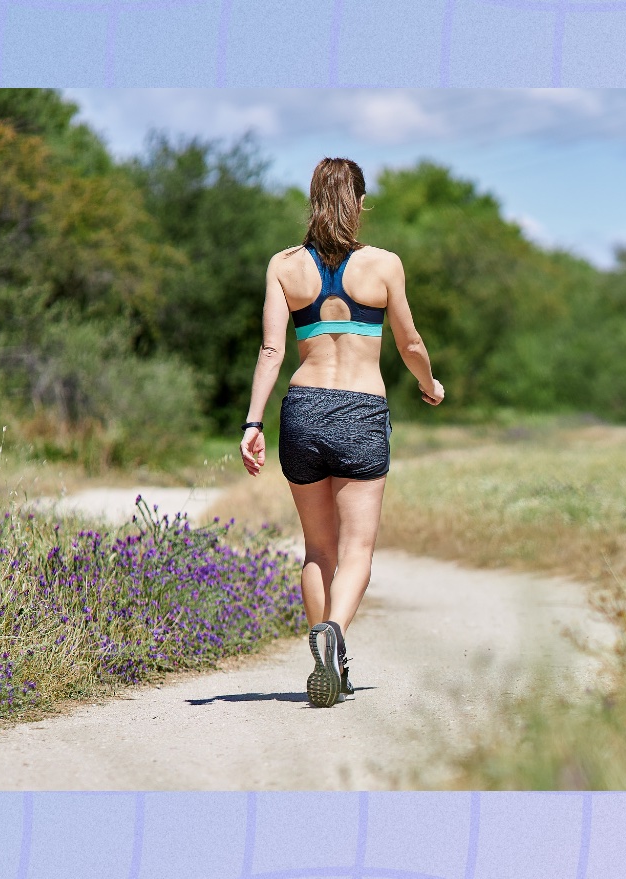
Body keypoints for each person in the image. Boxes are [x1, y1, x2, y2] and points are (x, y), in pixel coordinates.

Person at [239, 157, 445, 708]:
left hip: (302, 409)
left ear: (313, 200)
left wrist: (253, 421)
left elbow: (271, 350)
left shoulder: (284, 267)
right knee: (357, 548)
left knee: (317, 548)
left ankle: (326, 657)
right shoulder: (382, 266)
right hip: (360, 410)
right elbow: (411, 344)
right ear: (357, 203)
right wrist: (430, 384)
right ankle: (335, 633)